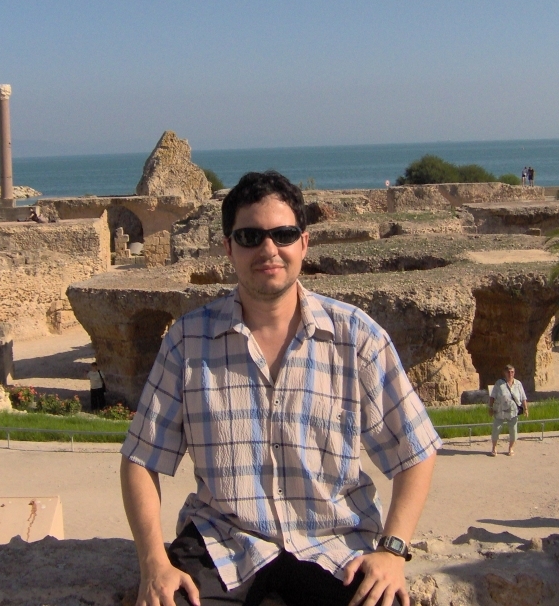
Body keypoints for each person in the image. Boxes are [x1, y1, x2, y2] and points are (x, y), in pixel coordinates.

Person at [120, 170, 441, 606]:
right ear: (229, 247)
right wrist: (153, 563)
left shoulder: (356, 338)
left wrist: (393, 549)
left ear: (303, 243)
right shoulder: (188, 342)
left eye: (283, 234)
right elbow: (140, 459)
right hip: (224, 542)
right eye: (250, 237)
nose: (268, 249)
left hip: (335, 544)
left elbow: (415, 450)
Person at [488, 364, 529, 457]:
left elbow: (523, 397)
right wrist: (490, 407)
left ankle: (511, 448)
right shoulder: (499, 383)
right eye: (508, 372)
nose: (510, 374)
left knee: (513, 431)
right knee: (496, 430)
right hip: (500, 410)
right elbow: (492, 396)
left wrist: (526, 409)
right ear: (505, 373)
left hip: (513, 411)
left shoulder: (518, 384)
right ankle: (494, 447)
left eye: (512, 372)